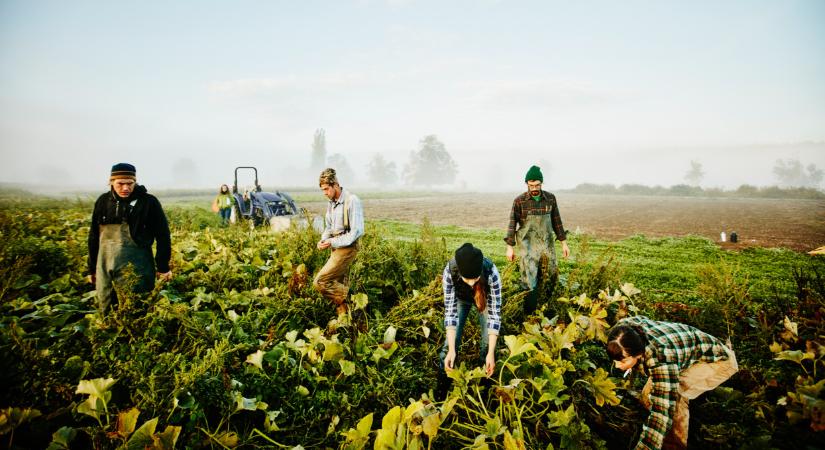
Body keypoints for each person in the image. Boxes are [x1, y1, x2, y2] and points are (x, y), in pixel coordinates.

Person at [607, 316, 738, 450]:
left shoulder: (661, 360)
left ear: (639, 354)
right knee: (648, 397)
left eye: (622, 362)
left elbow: (661, 414)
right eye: (615, 360)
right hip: (684, 354)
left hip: (718, 362)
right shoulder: (622, 332)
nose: (617, 366)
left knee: (674, 402)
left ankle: (674, 445)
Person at [88, 163, 172, 313]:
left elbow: (163, 235)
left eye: (130, 183)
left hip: (138, 267)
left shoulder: (148, 202)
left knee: (138, 307)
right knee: (106, 304)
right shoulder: (103, 201)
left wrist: (163, 267)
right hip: (105, 265)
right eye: (120, 183)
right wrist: (92, 268)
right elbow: (94, 235)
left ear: (135, 182)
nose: (126, 188)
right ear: (111, 182)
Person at [504, 165, 570, 315]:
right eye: (531, 185)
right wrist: (510, 247)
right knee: (529, 278)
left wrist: (564, 243)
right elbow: (512, 223)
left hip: (547, 245)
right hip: (527, 246)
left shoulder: (550, 199)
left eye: (537, 185)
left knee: (550, 274)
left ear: (542, 183)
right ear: (526, 183)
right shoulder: (519, 201)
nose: (534, 188)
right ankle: (529, 314)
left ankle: (546, 308)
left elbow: (556, 221)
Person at [440, 243, 503, 377]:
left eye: (475, 278)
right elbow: (450, 313)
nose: (471, 283)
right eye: (467, 279)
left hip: (483, 298)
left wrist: (491, 352)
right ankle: (443, 383)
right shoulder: (450, 271)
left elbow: (494, 315)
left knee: (488, 346)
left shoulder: (491, 273)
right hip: (461, 299)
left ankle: (484, 381)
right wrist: (452, 349)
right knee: (448, 346)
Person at [313, 168, 364, 315]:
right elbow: (328, 227)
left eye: (327, 189)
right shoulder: (331, 202)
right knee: (337, 284)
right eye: (323, 190)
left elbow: (356, 232)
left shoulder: (352, 201)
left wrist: (332, 242)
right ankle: (347, 321)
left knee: (321, 282)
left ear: (335, 184)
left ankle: (356, 300)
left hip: (348, 247)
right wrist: (323, 240)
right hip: (335, 247)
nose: (325, 193)